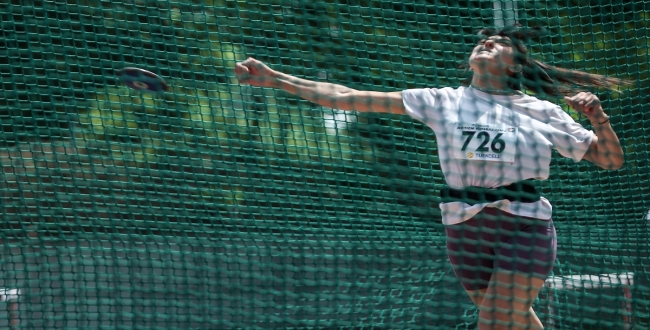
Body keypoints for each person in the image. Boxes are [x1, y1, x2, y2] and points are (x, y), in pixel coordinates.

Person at [234, 27, 628, 329]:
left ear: (513, 65)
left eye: (499, 42)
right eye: (483, 40)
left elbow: (610, 160)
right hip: (463, 230)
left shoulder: (541, 110)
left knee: (493, 322)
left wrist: (597, 118)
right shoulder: (442, 101)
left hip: (522, 224)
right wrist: (275, 78)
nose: (487, 42)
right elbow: (345, 96)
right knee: (516, 321)